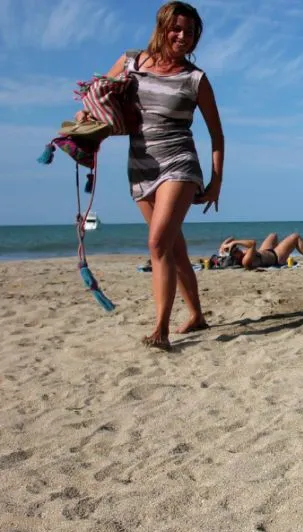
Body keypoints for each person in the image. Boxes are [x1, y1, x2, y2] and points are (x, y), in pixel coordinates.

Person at [77, 2, 224, 350]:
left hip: (180, 164)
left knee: (157, 243)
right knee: (174, 248)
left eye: (189, 32)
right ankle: (198, 315)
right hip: (141, 165)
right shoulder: (132, 62)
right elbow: (99, 98)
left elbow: (217, 135)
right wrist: (85, 117)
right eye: (176, 29)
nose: (182, 37)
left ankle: (160, 330)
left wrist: (216, 180)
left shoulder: (195, 79)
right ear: (161, 27)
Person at [219, 233, 303, 270]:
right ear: (234, 257)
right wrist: (234, 242)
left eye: (236, 247)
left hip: (264, 252)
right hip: (276, 257)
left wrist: (225, 245)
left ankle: (283, 250)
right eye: (236, 250)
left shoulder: (240, 255)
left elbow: (231, 238)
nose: (238, 249)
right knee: (295, 237)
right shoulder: (245, 261)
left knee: (273, 235)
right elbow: (252, 243)